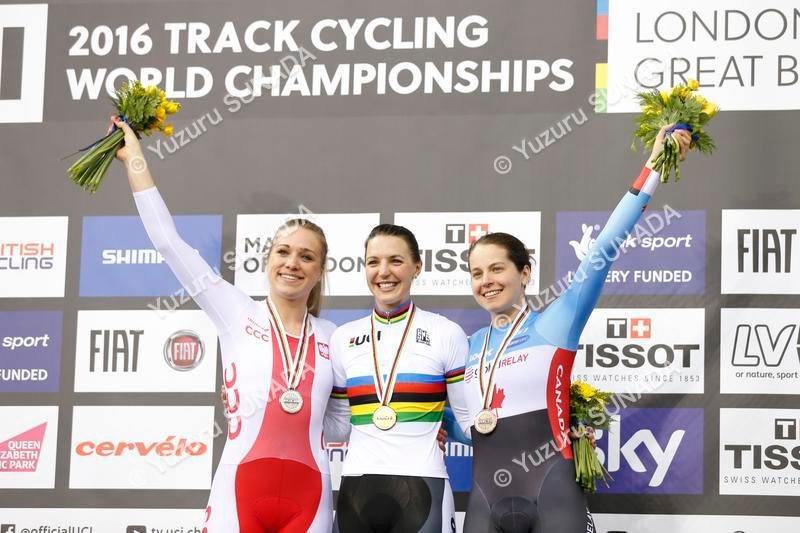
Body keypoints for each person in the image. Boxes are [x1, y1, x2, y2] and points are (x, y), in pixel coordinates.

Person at [111, 116, 349, 532]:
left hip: (311, 494)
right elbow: (169, 243)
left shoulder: (335, 339)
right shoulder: (235, 310)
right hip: (238, 488)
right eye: (283, 252)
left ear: (319, 270)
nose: (292, 263)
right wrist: (134, 159)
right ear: (268, 258)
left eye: (306, 257)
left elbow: (340, 423)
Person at [460, 124, 693, 532]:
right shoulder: (470, 346)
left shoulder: (557, 321)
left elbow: (605, 245)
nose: (487, 281)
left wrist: (655, 164)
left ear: (525, 273)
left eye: (497, 268)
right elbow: (466, 425)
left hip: (552, 492)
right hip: (483, 499)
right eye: (477, 273)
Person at [327, 224, 472, 533]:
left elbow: (469, 423)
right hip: (356, 485)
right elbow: (337, 426)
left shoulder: (446, 334)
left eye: (396, 260)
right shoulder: (343, 338)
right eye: (373, 262)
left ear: (417, 266)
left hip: (424, 484)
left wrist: (436, 419)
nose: (384, 272)